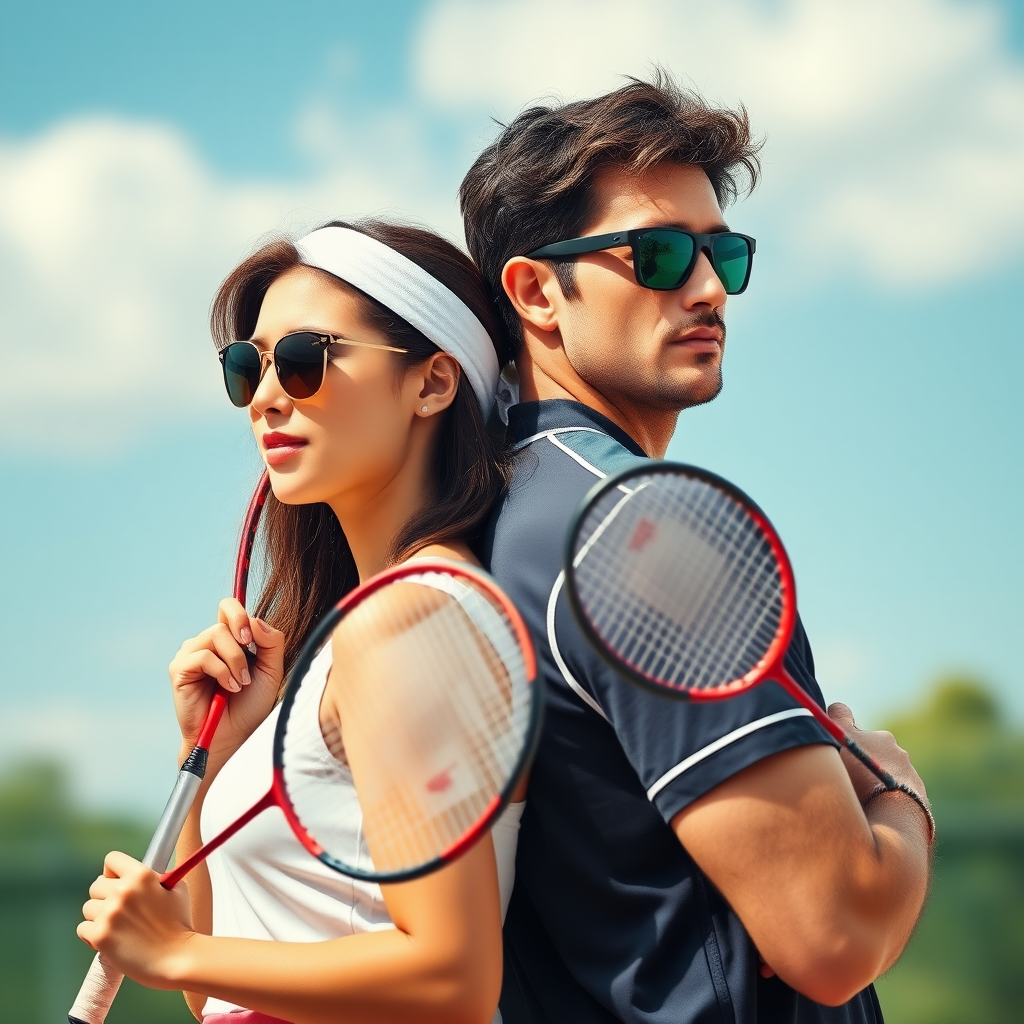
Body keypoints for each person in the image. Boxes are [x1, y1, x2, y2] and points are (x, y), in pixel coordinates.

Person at [460, 74, 934, 1024]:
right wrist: (900, 797)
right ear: (535, 293)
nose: (711, 287)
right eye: (662, 254)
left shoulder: (489, 520)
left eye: (724, 253)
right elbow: (830, 933)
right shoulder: (644, 524)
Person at [77, 220, 523, 1024]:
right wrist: (208, 754)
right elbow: (211, 992)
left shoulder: (411, 623)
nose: (266, 396)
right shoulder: (368, 628)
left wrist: (175, 948)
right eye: (246, 368)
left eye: (305, 360)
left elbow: (454, 976)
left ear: (432, 383)